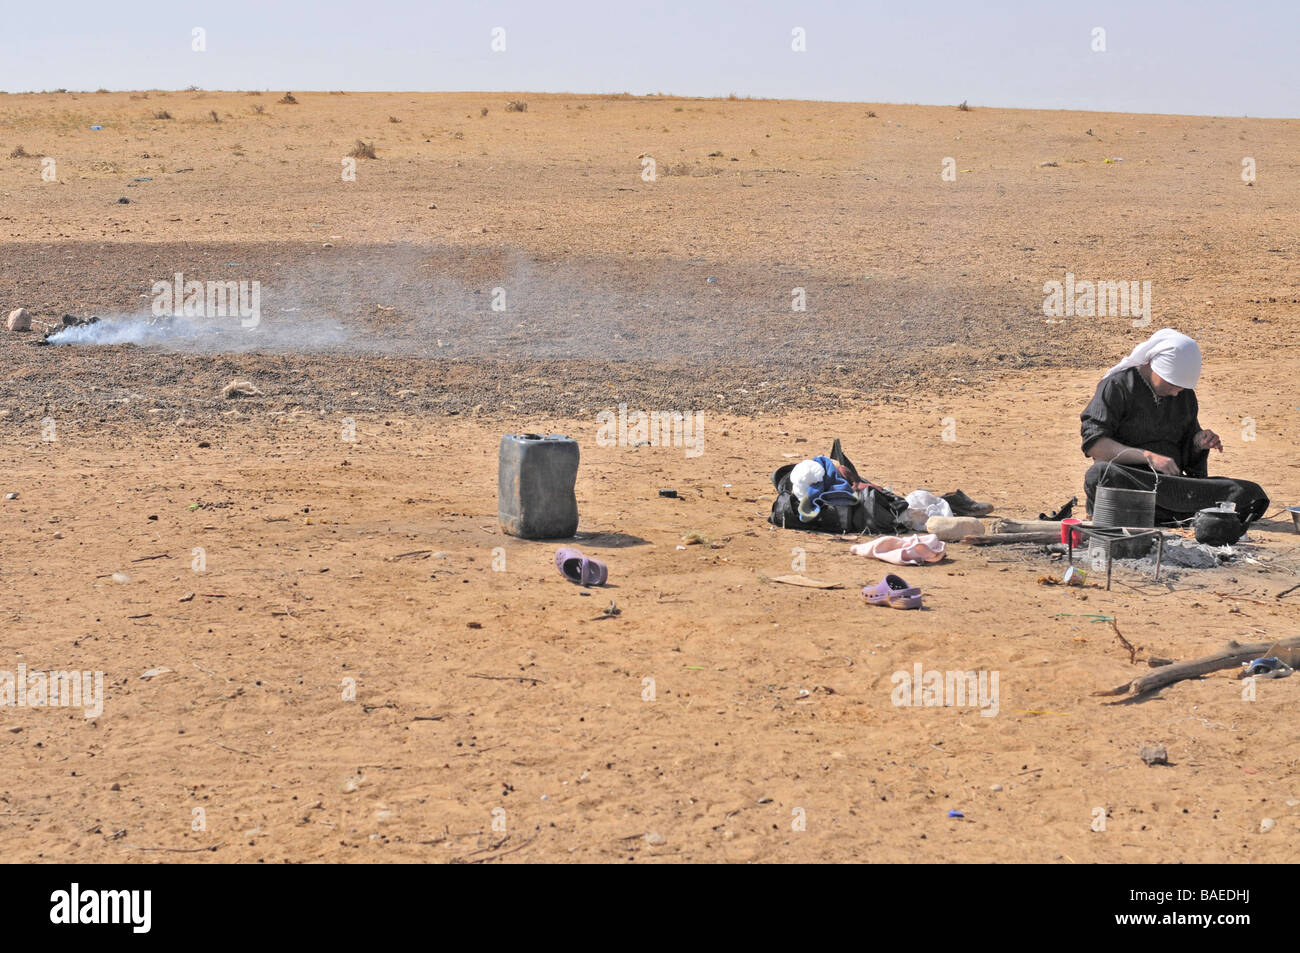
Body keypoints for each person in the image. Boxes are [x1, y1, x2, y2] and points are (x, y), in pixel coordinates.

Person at [1080, 328, 1268, 525]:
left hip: (1173, 488)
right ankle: (1186, 515)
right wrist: (1149, 458)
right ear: (1155, 367)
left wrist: (1198, 442)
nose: (1177, 392)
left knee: (1249, 493)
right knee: (1099, 475)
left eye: (1182, 387)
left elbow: (1189, 457)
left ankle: (1160, 514)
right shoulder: (1117, 386)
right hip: (1131, 482)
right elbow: (1095, 445)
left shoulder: (1184, 394)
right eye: (1172, 384)